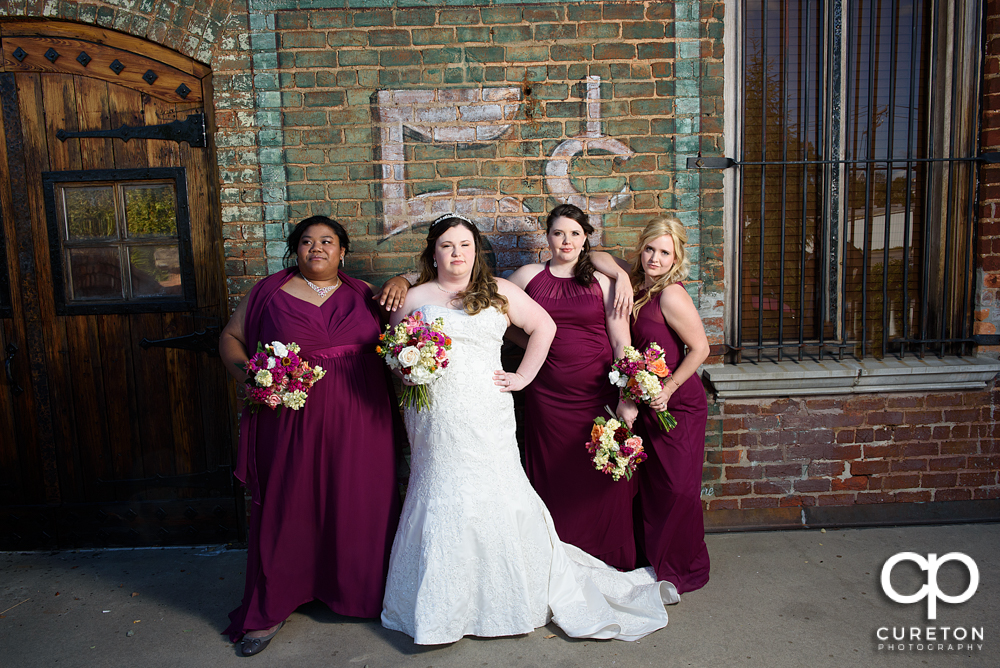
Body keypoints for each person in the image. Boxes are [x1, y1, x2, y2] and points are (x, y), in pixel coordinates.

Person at [380, 214, 678, 646]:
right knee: (442, 491)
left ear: (476, 251)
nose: (456, 253)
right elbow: (395, 351)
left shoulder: (499, 290)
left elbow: (545, 327)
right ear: (433, 252)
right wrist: (408, 373)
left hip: (487, 409)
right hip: (436, 416)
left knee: (497, 490)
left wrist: (522, 377)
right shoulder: (415, 296)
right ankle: (442, 604)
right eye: (447, 246)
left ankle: (507, 593)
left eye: (464, 245)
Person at [219, 216, 408, 656]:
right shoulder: (268, 293)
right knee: (292, 502)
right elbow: (230, 337)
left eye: (327, 241)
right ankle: (274, 604)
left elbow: (431, 283)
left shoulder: (364, 293)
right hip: (291, 420)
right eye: (306, 241)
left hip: (363, 419)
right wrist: (252, 376)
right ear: (295, 249)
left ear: (343, 251)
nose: (316, 248)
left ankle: (361, 594)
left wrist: (402, 275)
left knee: (360, 503)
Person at [506, 203, 637, 570]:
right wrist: (531, 343)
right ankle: (556, 563)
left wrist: (629, 399)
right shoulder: (528, 276)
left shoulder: (602, 280)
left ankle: (605, 560)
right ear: (547, 237)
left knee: (599, 477)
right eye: (558, 233)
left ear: (585, 239)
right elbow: (495, 315)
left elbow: (620, 343)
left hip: (598, 394)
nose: (566, 241)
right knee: (554, 479)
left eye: (574, 234)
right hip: (547, 398)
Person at [626, 217, 711, 594]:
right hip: (649, 402)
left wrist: (670, 388)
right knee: (654, 487)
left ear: (676, 257)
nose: (655, 258)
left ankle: (684, 568)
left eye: (664, 252)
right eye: (649, 249)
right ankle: (656, 560)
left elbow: (701, 349)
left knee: (679, 488)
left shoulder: (671, 295)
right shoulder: (637, 288)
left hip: (679, 404)